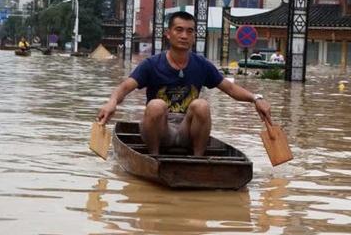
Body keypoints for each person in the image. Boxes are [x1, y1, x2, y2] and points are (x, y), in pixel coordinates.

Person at [97, 11, 272, 156]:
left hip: (187, 129)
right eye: (179, 30)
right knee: (156, 105)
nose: (184, 36)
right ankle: (153, 158)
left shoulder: (201, 64)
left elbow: (230, 88)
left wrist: (256, 99)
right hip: (159, 129)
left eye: (189, 31)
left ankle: (197, 161)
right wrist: (111, 103)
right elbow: (124, 87)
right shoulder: (152, 64)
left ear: (194, 36)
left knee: (201, 105)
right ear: (168, 34)